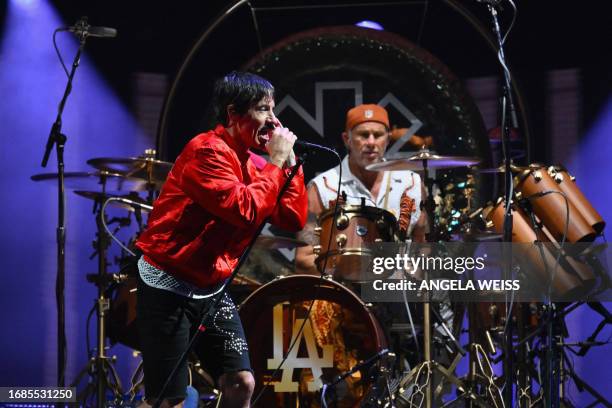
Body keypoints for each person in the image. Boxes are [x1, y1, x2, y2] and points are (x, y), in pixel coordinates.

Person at [135, 71, 308, 407]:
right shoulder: (206, 152)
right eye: (262, 110)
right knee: (167, 401)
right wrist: (275, 161)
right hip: (167, 286)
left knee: (241, 383)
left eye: (273, 110)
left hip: (210, 289)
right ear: (233, 114)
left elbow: (292, 217)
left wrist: (289, 164)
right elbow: (246, 210)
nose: (273, 121)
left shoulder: (255, 163)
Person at [295, 104, 427, 275]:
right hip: (345, 295)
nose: (371, 142)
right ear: (346, 139)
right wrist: (352, 275)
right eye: (363, 135)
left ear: (387, 139)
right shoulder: (322, 187)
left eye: (378, 135)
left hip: (398, 293)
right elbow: (304, 259)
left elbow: (424, 248)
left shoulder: (412, 184)